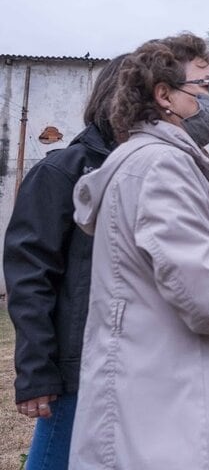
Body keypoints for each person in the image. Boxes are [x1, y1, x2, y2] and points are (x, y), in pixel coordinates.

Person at [69, 34, 209, 469]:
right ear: (164, 95)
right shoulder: (161, 167)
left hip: (168, 405)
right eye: (205, 87)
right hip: (179, 422)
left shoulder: (151, 164)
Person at [3, 55, 126, 470]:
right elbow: (29, 276)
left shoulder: (152, 174)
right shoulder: (63, 170)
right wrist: (37, 372)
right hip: (80, 370)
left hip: (139, 365)